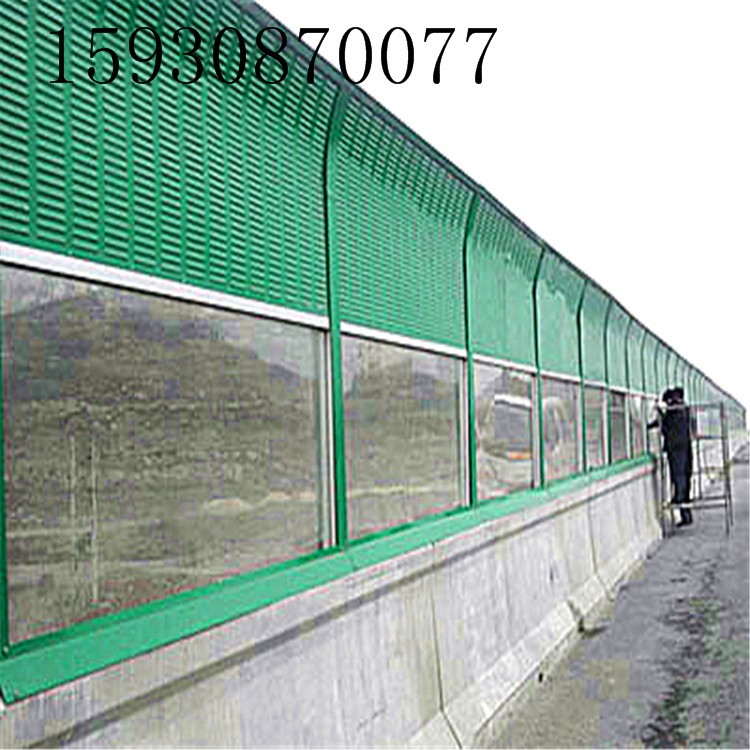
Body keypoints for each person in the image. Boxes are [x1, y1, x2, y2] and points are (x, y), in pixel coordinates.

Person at [650, 387, 694, 526]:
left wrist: (658, 414)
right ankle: (686, 515)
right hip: (686, 447)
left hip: (675, 449)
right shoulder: (684, 409)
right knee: (685, 477)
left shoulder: (674, 411)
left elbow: (665, 426)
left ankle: (679, 500)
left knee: (678, 476)